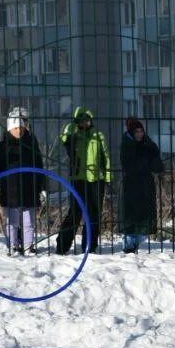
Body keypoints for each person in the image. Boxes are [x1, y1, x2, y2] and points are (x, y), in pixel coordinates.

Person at [57, 106, 111, 255]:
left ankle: (90, 246)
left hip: (95, 179)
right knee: (75, 213)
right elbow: (63, 138)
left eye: (86, 120)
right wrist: (72, 127)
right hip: (78, 179)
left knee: (94, 214)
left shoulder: (98, 136)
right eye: (80, 120)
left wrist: (107, 176)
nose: (84, 123)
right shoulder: (73, 135)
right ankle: (62, 245)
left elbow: (105, 155)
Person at [0, 106, 45, 256]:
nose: (19, 131)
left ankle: (28, 246)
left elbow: (39, 164)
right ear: (10, 130)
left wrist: (41, 185)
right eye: (16, 129)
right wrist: (1, 179)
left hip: (30, 187)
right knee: (12, 221)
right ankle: (13, 246)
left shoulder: (31, 143)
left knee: (29, 222)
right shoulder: (2, 146)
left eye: (21, 128)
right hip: (11, 189)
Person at [118, 118, 163, 254]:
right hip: (131, 186)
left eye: (141, 131)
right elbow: (129, 165)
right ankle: (129, 247)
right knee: (130, 218)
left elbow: (158, 166)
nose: (139, 134)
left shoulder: (149, 145)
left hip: (145, 187)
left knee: (144, 219)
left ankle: (134, 245)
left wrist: (148, 163)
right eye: (136, 131)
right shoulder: (127, 145)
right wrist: (145, 163)